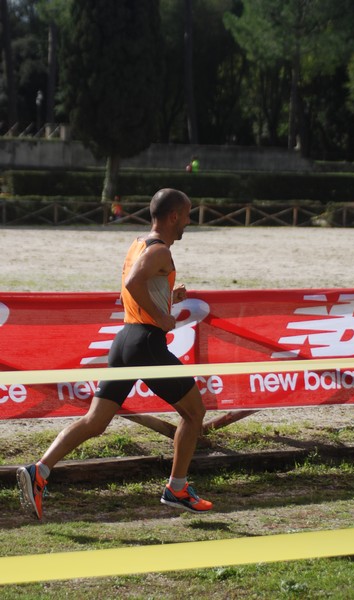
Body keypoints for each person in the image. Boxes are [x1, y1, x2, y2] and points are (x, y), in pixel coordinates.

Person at [17, 188, 213, 519]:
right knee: (195, 412)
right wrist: (164, 317)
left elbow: (130, 295)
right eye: (188, 214)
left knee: (95, 421)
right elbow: (133, 285)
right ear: (174, 216)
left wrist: (168, 298)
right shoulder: (161, 251)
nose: (189, 221)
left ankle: (39, 471)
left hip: (125, 340)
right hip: (146, 343)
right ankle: (177, 488)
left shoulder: (139, 244)